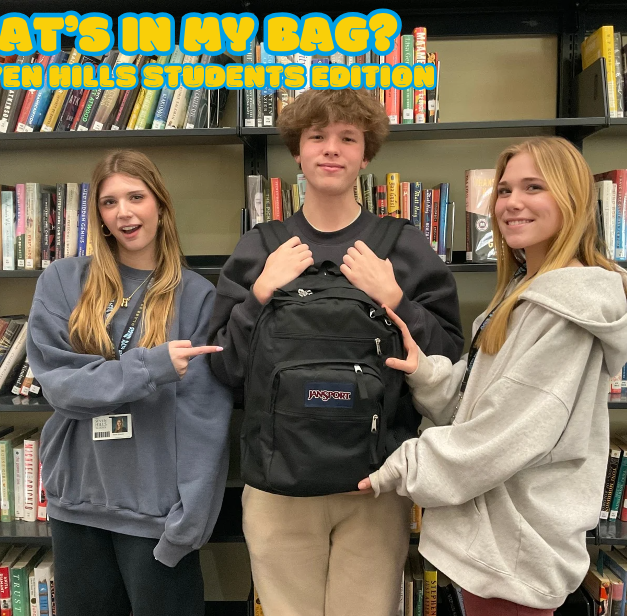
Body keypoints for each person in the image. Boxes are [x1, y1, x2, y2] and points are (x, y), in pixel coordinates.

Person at [359, 136, 627, 614]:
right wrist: (429, 375)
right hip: (495, 540)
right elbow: (484, 399)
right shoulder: (524, 292)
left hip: (517, 550)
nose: (512, 203)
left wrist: (399, 468)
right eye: (505, 189)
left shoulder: (564, 311)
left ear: (571, 198)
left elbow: (505, 434)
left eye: (533, 187)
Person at [207, 89, 464, 616]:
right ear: (296, 152)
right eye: (317, 137)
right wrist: (258, 295)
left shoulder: (401, 244)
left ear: (366, 155)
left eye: (347, 138)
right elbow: (224, 366)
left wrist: (395, 299)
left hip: (375, 484)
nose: (331, 149)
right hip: (277, 487)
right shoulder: (260, 247)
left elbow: (447, 365)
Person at [26, 150, 232, 616]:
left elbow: (205, 418)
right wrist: (150, 367)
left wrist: (191, 518)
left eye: (136, 197)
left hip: (158, 515)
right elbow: (61, 388)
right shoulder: (62, 281)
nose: (124, 212)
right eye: (109, 202)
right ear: (97, 214)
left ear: (160, 204)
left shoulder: (196, 295)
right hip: (77, 505)